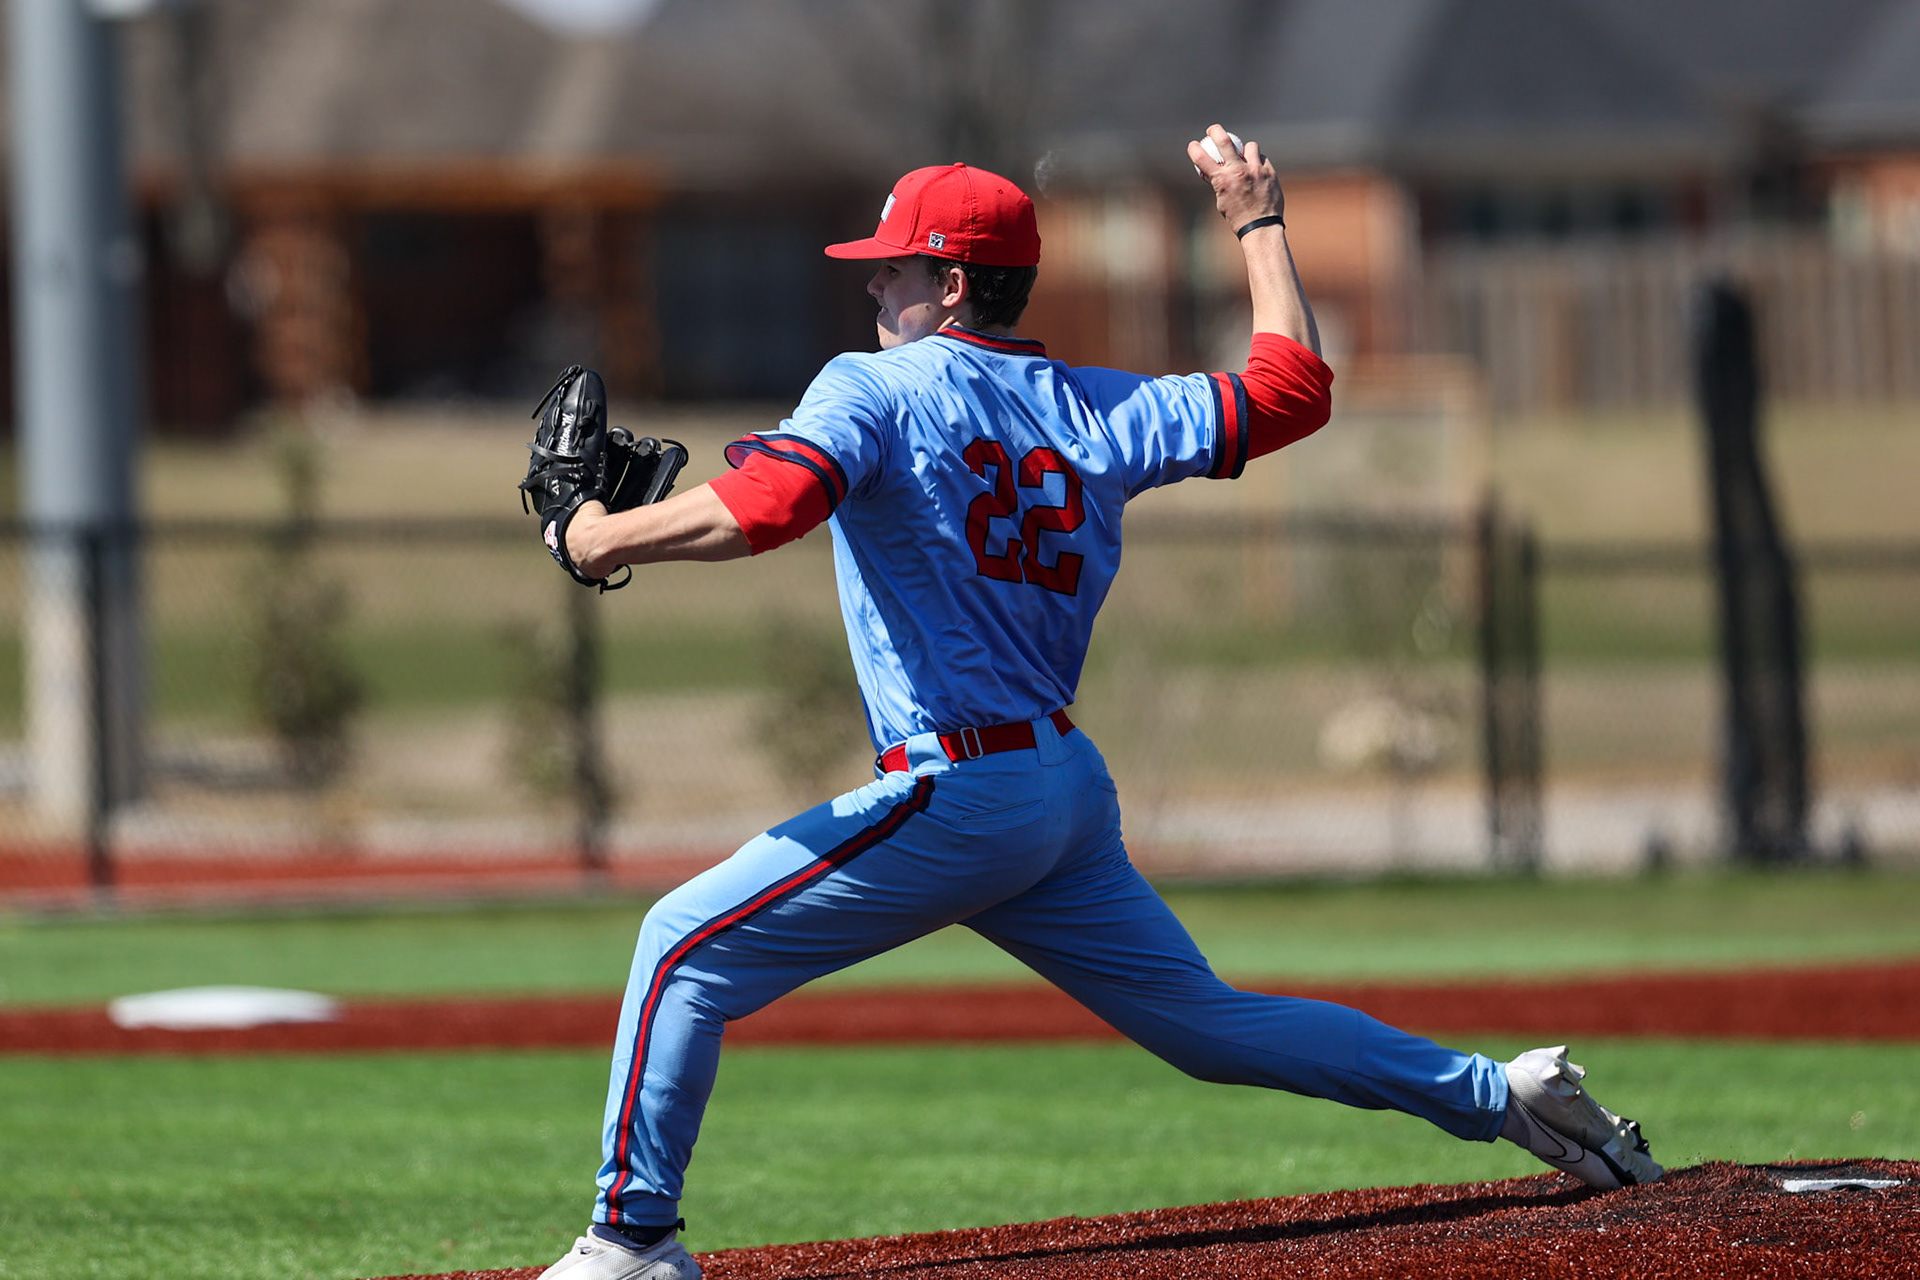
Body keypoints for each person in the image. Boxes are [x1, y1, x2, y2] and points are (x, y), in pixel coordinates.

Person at [536, 127, 1661, 1280]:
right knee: (1210, 1026)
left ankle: (633, 1238)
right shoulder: (1094, 404)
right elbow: (1291, 390)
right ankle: (1511, 1098)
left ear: (953, 283)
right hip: (1059, 789)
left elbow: (770, 506)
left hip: (958, 788)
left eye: (894, 264)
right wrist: (1258, 222)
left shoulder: (871, 384)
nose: (873, 280)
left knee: (681, 948)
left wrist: (593, 537)